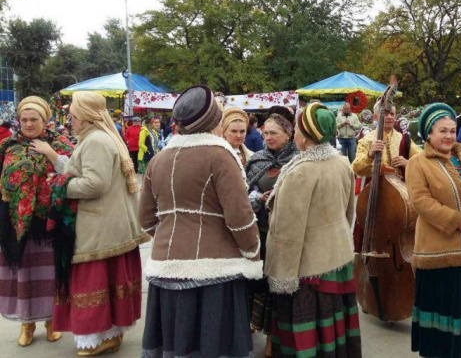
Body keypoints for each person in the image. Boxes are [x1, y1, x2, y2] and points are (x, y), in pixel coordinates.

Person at [139, 85, 262, 358]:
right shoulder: (221, 156)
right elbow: (240, 218)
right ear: (214, 122)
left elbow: (145, 218)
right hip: (214, 272)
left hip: (165, 268)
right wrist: (253, 252)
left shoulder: (158, 160)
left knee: (176, 345)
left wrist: (170, 237)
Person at [32, 92, 148, 355]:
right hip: (105, 225)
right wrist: (54, 157)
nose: (70, 120)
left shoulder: (96, 141)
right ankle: (110, 335)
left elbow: (94, 184)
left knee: (92, 282)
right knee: (107, 281)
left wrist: (58, 185)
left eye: (72, 116)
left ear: (84, 118)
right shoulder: (96, 138)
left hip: (99, 227)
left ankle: (101, 336)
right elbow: (80, 170)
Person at [262, 102, 361, 357]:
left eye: (296, 128)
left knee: (308, 334)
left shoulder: (302, 172)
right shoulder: (341, 163)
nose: (294, 132)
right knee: (333, 329)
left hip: (308, 269)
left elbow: (287, 232)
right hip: (337, 260)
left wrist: (281, 274)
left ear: (305, 136)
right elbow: (349, 213)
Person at [407, 103, 461, 358]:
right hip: (441, 252)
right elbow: (421, 201)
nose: (448, 136)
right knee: (445, 307)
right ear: (428, 135)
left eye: (452, 130)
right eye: (442, 131)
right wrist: (457, 220)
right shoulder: (418, 163)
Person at [0, 97, 74, 347]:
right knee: (25, 276)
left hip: (51, 224)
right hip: (17, 224)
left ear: (45, 120)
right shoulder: (7, 146)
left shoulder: (60, 143)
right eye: (24, 120)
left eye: (35, 119)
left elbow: (75, 173)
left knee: (52, 274)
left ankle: (52, 322)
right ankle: (27, 324)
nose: (29, 124)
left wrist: (50, 153)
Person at [244, 105, 298, 357]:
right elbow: (243, 196)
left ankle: (274, 341)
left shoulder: (298, 160)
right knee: (260, 287)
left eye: (274, 133)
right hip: (262, 233)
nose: (268, 138)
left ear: (288, 134)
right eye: (265, 133)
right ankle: (262, 333)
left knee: (280, 289)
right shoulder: (257, 160)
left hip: (288, 237)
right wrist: (257, 197)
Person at [352, 99, 422, 180]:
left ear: (395, 116)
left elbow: (423, 160)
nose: (389, 117)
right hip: (375, 190)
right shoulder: (366, 140)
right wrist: (370, 155)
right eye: (385, 114)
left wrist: (408, 163)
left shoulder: (404, 139)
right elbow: (356, 168)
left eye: (392, 114)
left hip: (401, 190)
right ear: (375, 117)